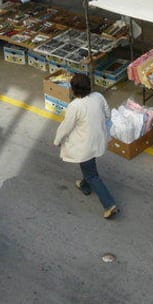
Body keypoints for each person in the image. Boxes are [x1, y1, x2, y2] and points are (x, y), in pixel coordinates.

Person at [54, 73, 119, 220]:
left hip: (85, 145)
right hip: (99, 139)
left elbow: (66, 127)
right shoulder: (98, 96)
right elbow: (107, 114)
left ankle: (109, 204)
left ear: (73, 89)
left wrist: (57, 141)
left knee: (92, 175)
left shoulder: (75, 106)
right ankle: (84, 184)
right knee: (88, 165)